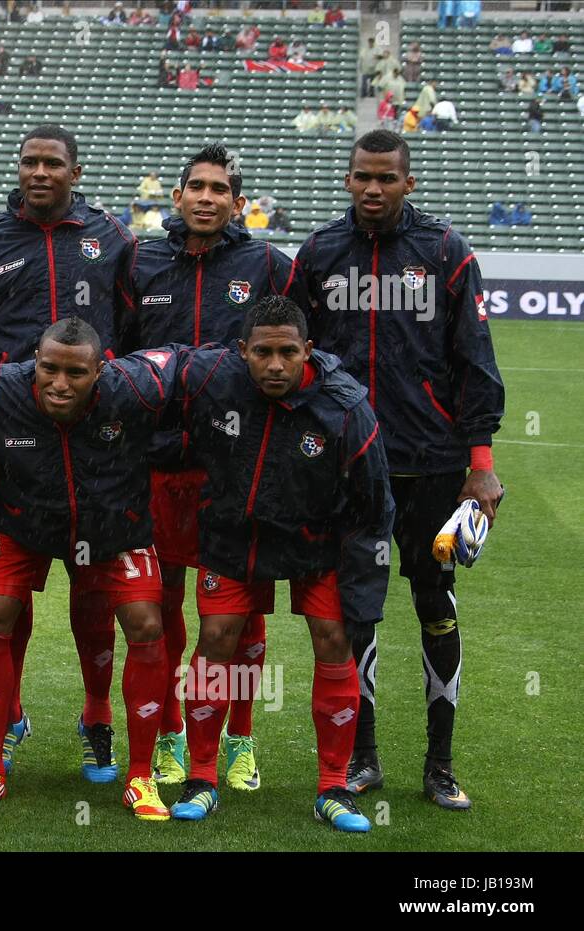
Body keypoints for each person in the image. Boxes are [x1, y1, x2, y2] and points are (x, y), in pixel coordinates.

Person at [295, 130, 504, 810]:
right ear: (348, 179)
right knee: (356, 614)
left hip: (434, 470)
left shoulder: (445, 252)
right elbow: (293, 359)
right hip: (348, 469)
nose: (373, 188)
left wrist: (481, 466)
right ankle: (362, 758)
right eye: (362, 176)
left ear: (408, 183)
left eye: (386, 177)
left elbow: (476, 363)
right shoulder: (320, 253)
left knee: (435, 605)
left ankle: (440, 765)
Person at [0, 125, 139, 781]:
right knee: (8, 591)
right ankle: (9, 711)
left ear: (75, 171)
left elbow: (133, 328)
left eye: (51, 163)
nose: (39, 172)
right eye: (28, 160)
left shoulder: (111, 238)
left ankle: (96, 717)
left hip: (97, 442)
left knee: (94, 591)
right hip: (15, 439)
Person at [168, 296, 393, 832]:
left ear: (308, 350)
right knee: (217, 639)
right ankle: (202, 778)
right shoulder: (213, 381)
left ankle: (333, 788)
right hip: (233, 536)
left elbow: (376, 500)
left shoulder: (344, 407)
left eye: (288, 352)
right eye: (263, 352)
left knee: (334, 640)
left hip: (318, 543)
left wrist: (363, 580)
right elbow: (154, 374)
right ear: (241, 350)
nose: (275, 365)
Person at [0, 317, 182, 818]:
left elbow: (202, 364)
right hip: (22, 524)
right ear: (34, 363)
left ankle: (141, 777)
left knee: (147, 623)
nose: (59, 383)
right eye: (48, 368)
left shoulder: (137, 387)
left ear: (101, 370)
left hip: (112, 527)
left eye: (75, 373)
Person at [126, 142, 300, 789]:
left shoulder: (269, 267)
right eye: (194, 186)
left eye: (218, 188)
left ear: (237, 203)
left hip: (240, 466)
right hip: (157, 464)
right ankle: (170, 734)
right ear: (176, 197)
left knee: (240, 615)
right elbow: (117, 356)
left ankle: (240, 739)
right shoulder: (141, 262)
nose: (205, 196)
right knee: (161, 604)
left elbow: (295, 357)